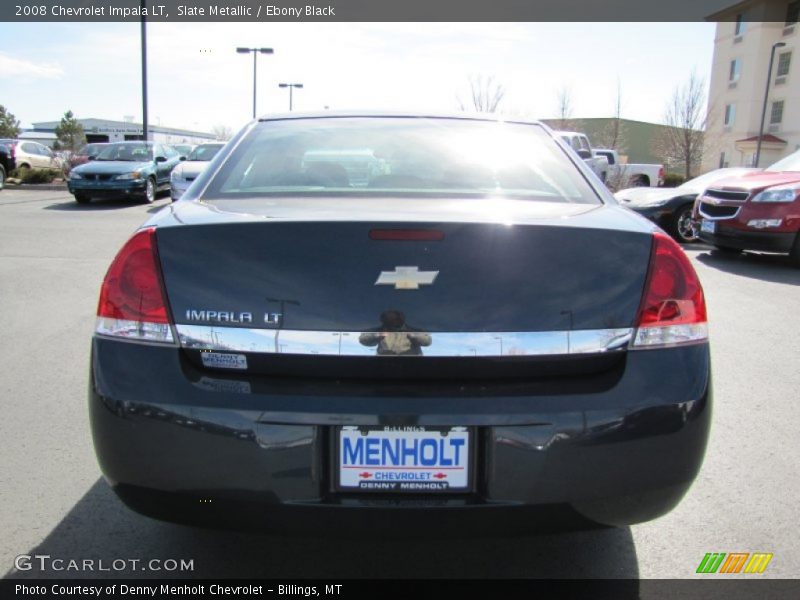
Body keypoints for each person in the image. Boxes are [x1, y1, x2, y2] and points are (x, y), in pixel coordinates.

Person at [359, 310, 432, 356]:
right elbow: (363, 340)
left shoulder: (413, 329)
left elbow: (427, 341)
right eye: (388, 319)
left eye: (395, 319)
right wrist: (378, 335)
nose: (393, 321)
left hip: (411, 363)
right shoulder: (380, 330)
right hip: (384, 364)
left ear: (401, 319)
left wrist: (413, 336)